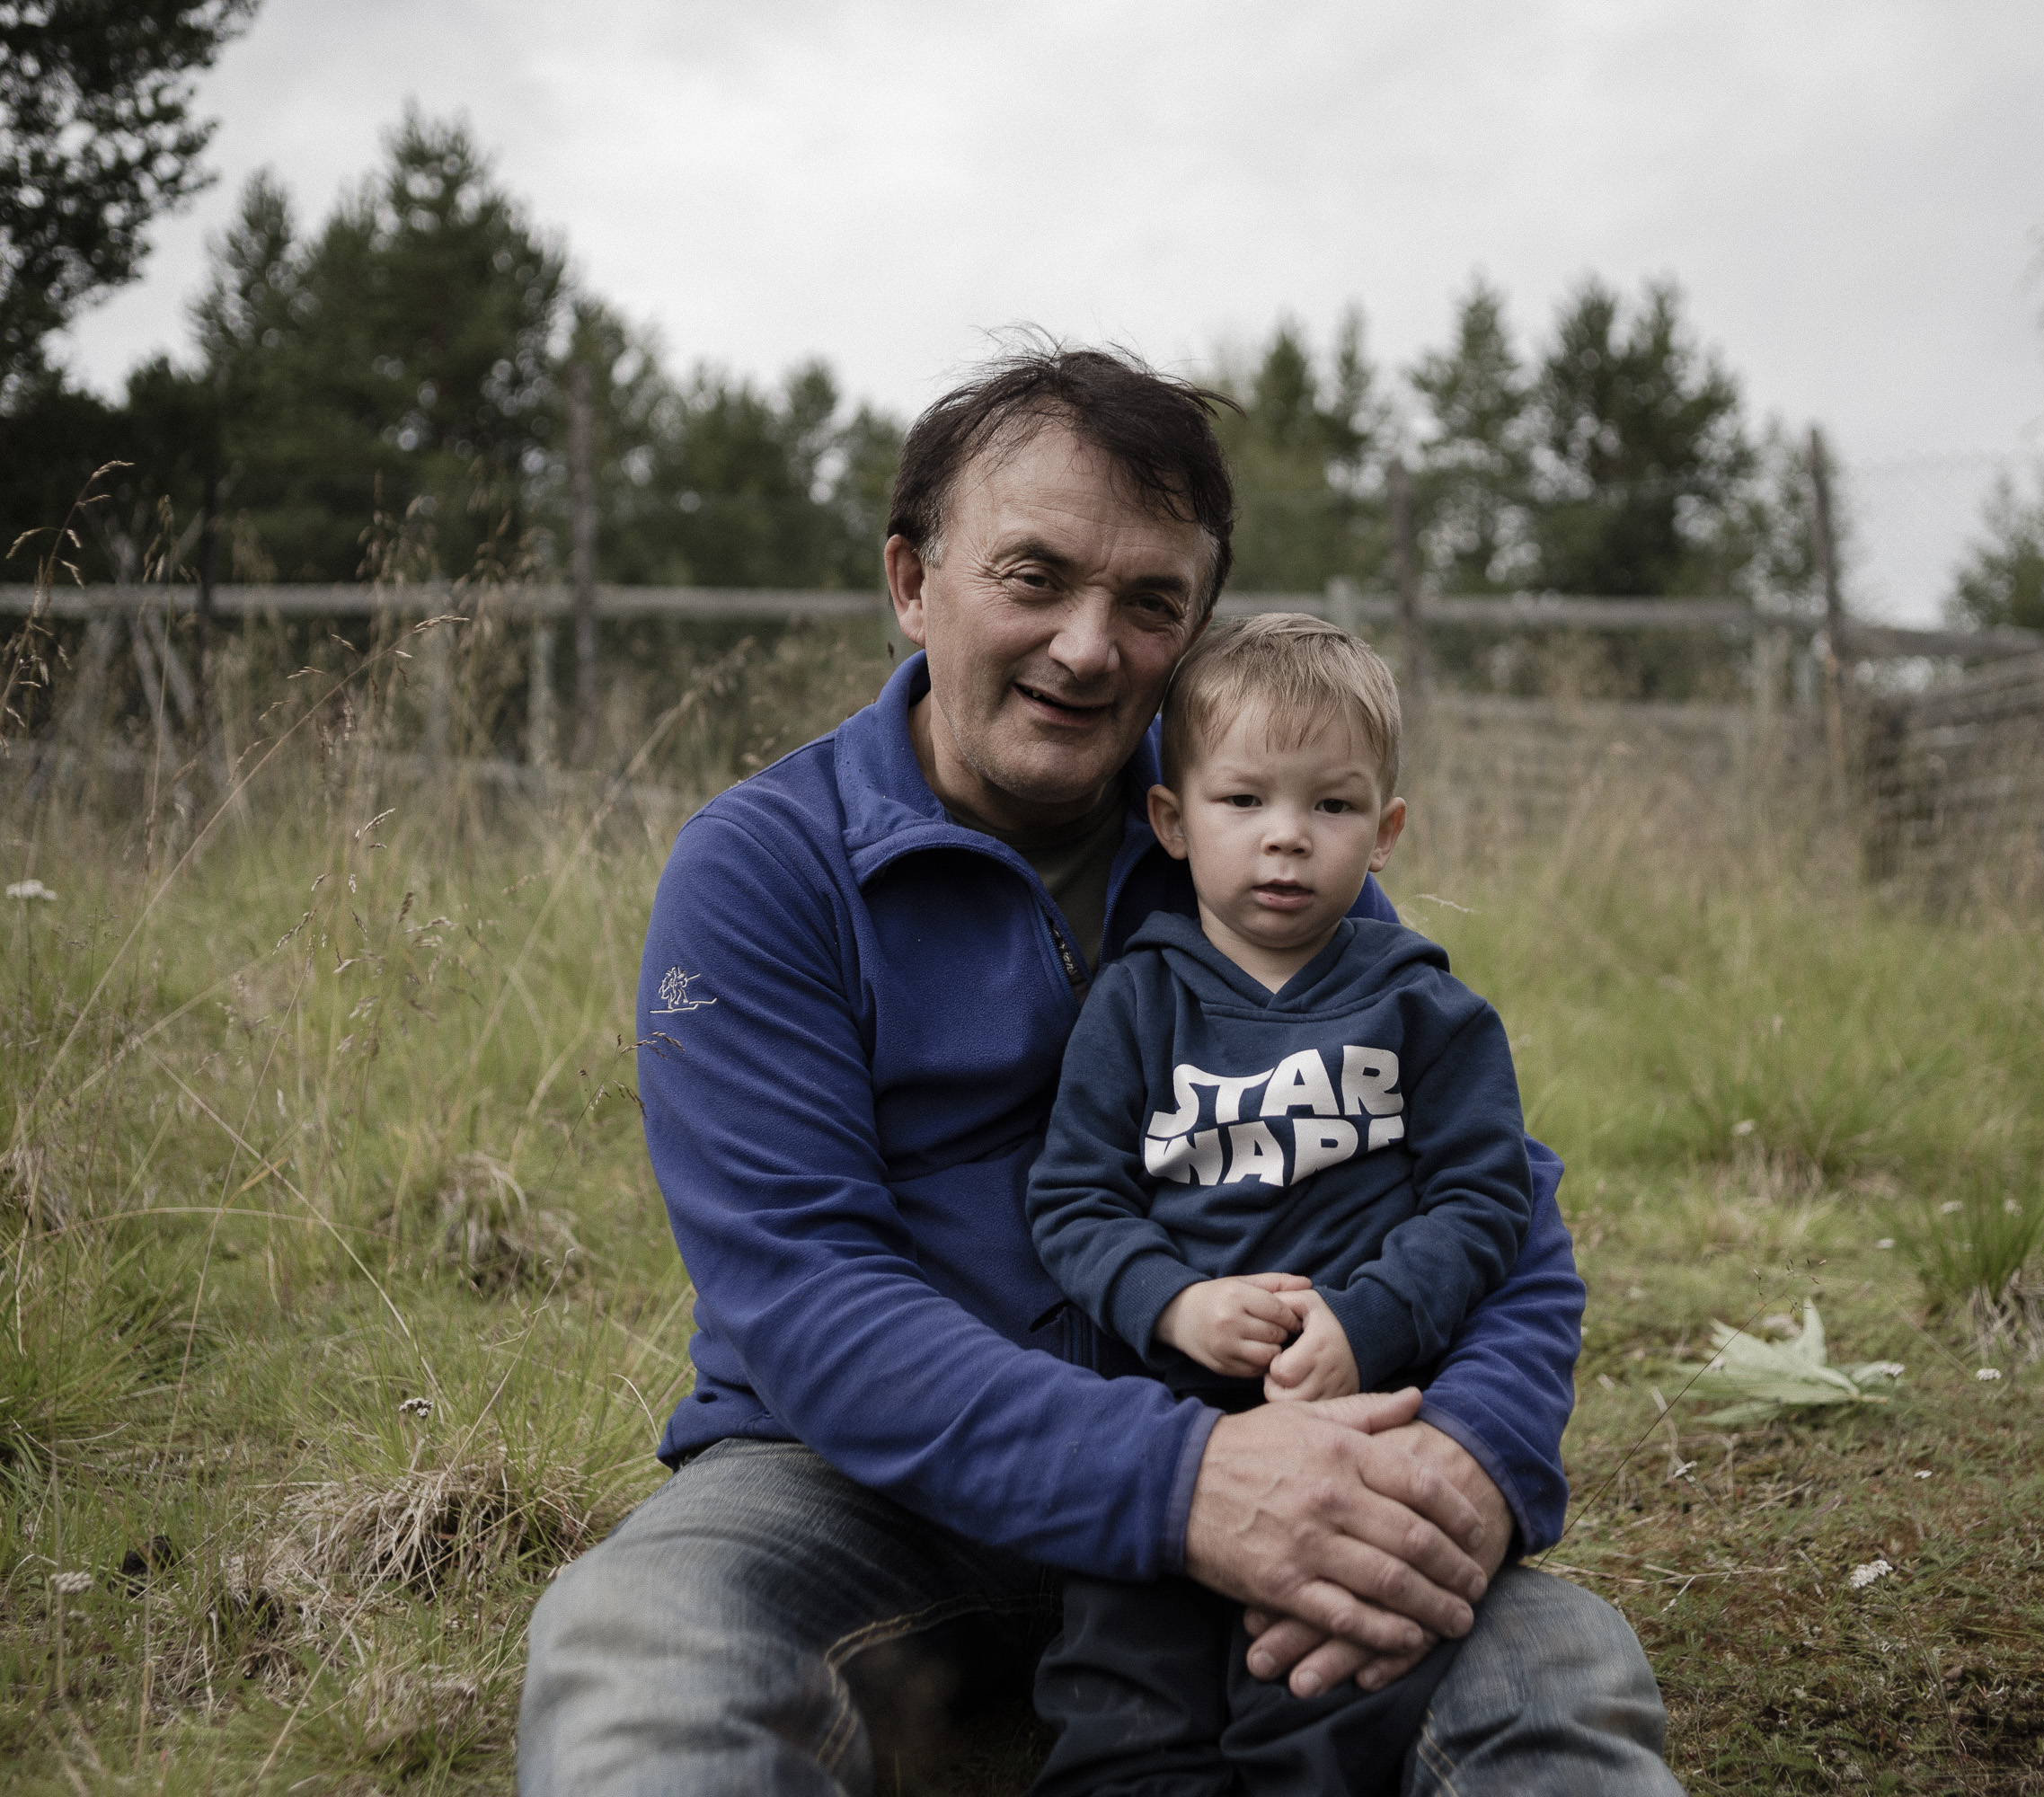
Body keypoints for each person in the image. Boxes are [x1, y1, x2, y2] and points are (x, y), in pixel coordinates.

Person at [517, 343, 1680, 1796]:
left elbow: (1493, 1195)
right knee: (641, 1653)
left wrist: (1472, 1466)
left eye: (1149, 605)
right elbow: (809, 1295)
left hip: (1276, 1456)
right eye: (1033, 577)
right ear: (909, 583)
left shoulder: (1260, 861)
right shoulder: (768, 870)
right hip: (861, 1490)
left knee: (1559, 1679)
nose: (1087, 646)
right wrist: (1182, 1488)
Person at [1024, 614, 1536, 1795]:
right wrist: (1177, 1306)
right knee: (1124, 1706)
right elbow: (1073, 1197)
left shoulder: (1424, 1011)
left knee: (1318, 1698)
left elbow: (1481, 1199)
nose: (1286, 842)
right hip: (1162, 1423)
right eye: (1243, 801)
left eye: (1333, 808)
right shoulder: (1136, 1004)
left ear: (1388, 829)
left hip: (1357, 1429)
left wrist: (1370, 1323)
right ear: (1171, 819)